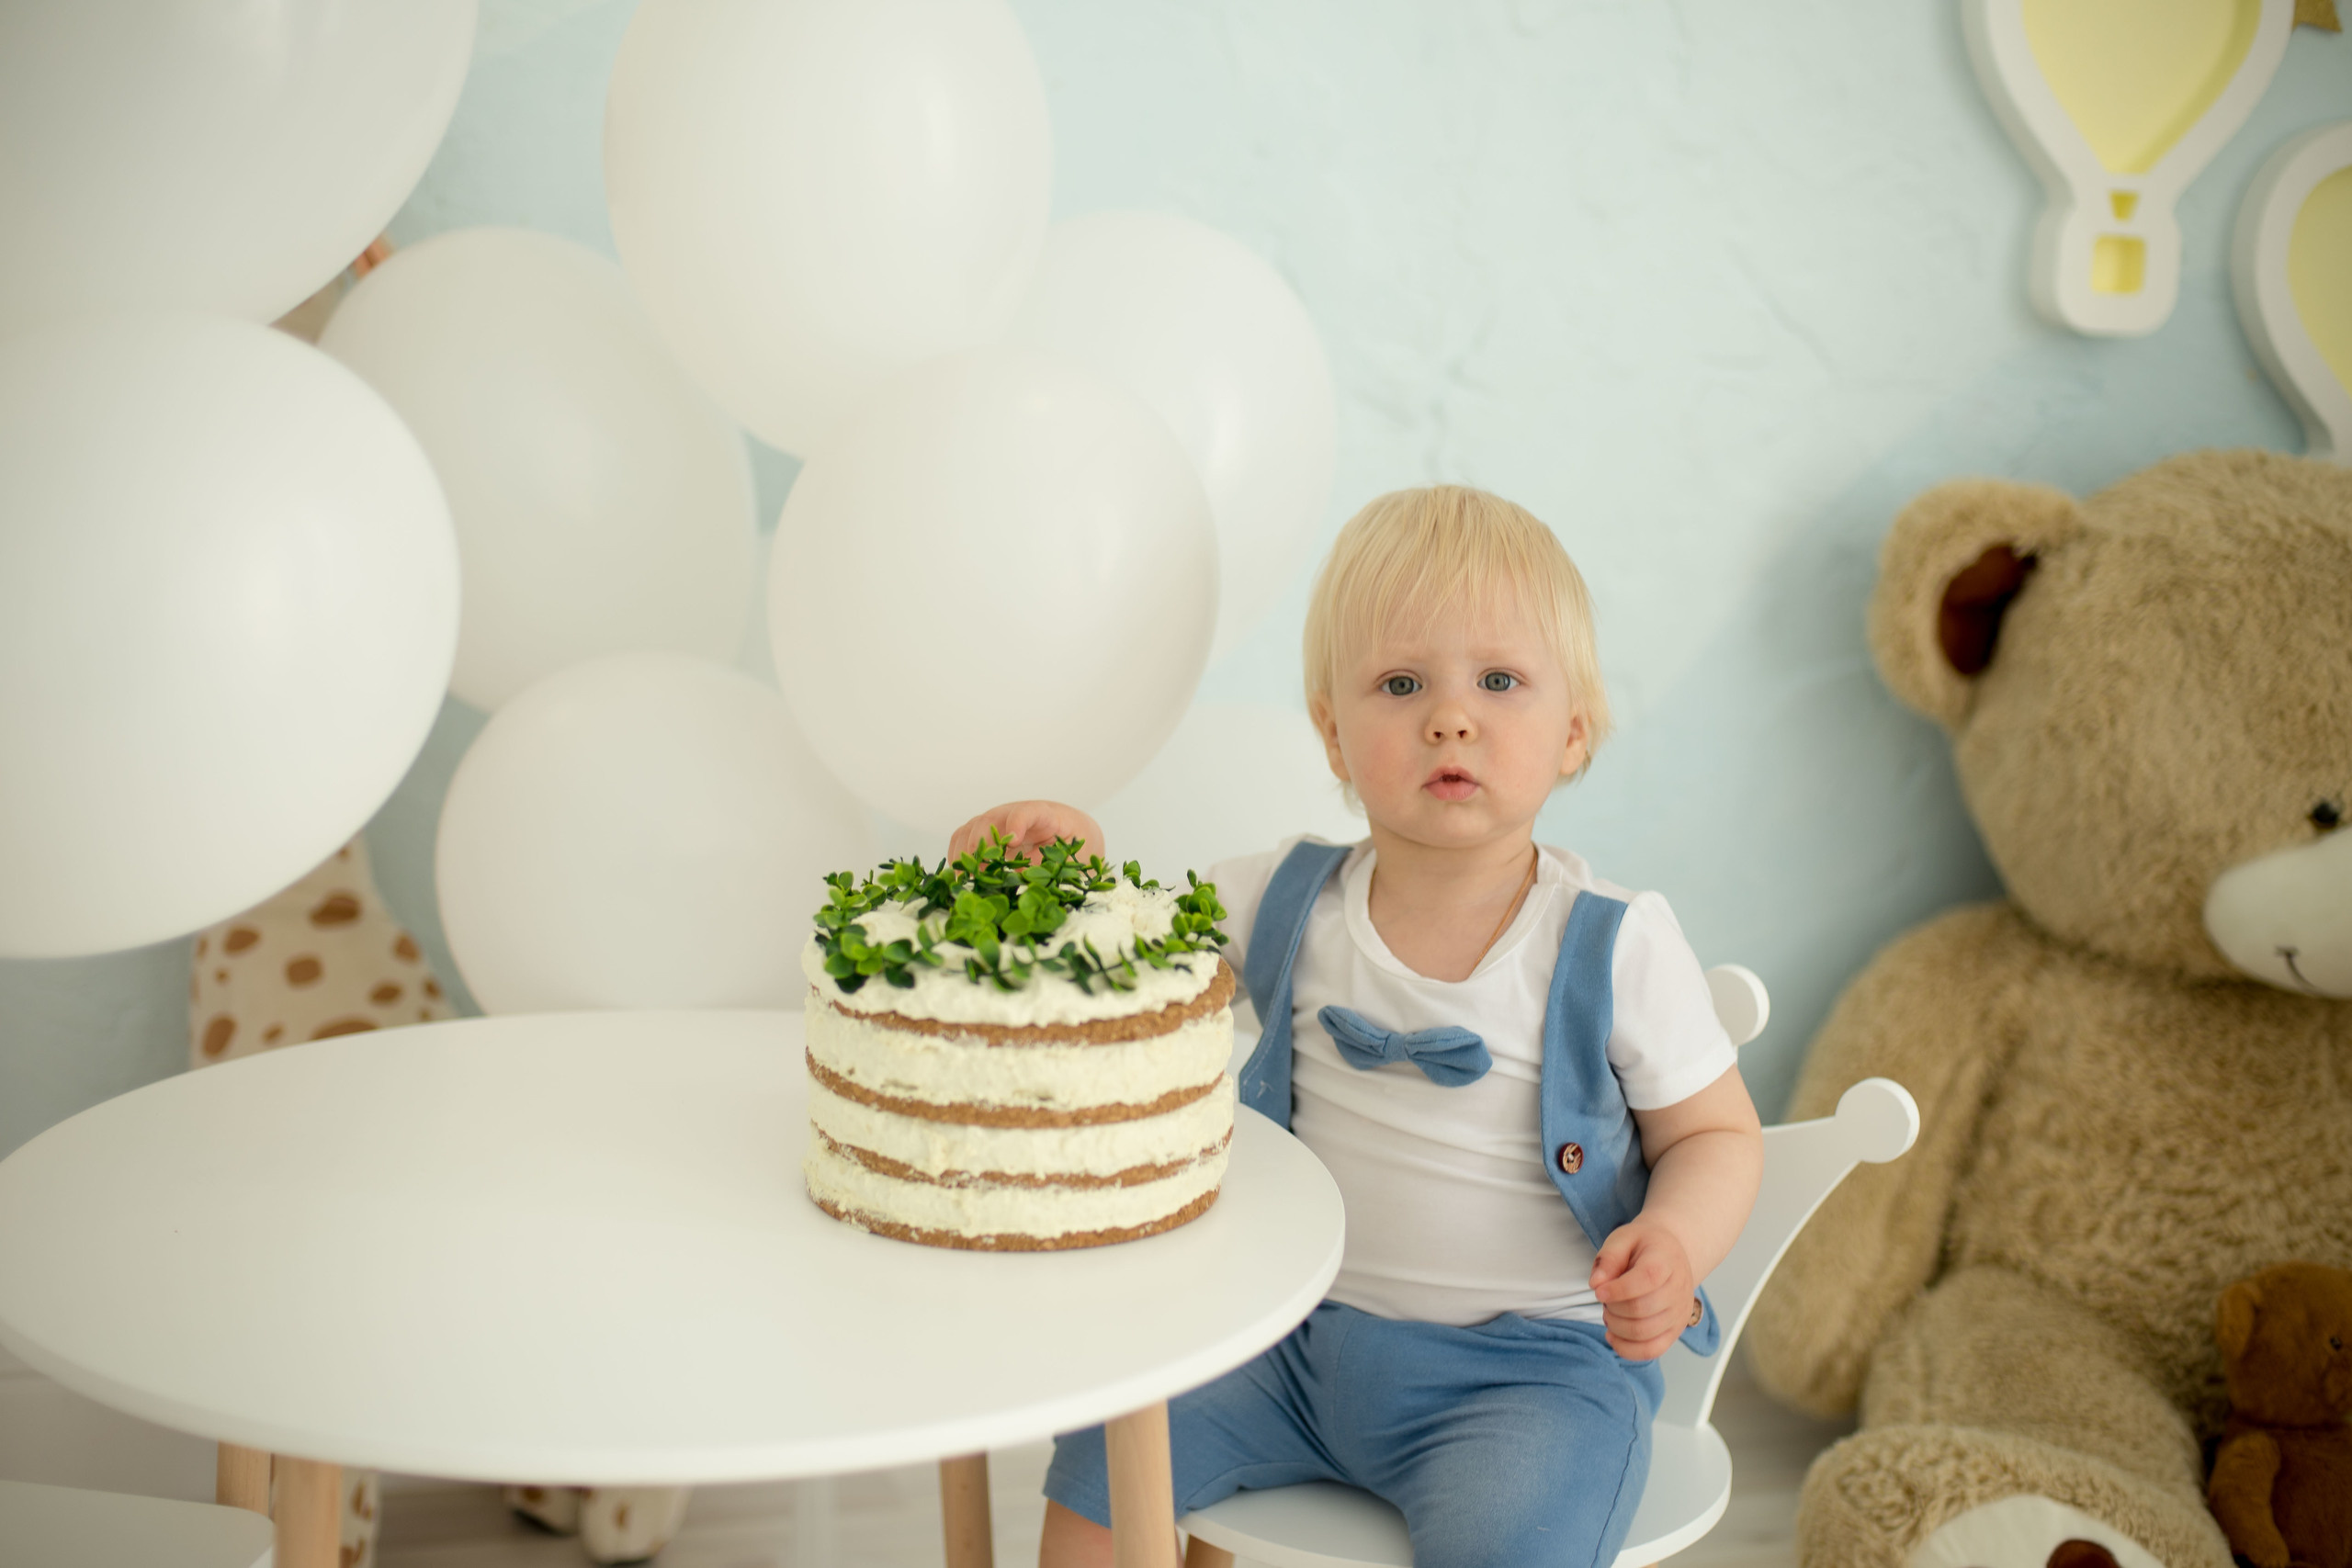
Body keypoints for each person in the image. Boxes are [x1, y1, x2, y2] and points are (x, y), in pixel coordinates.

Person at [950, 484, 1763, 1568]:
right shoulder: (1281, 897)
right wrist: (1064, 877)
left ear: (1572, 732)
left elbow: (1715, 1135)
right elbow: (1128, 967)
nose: (1450, 717)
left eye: (1499, 682)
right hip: (1282, 1343)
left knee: (1515, 1540)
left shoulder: (1614, 944)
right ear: (1333, 736)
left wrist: (1675, 1241)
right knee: (1109, 1452)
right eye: (1400, 683)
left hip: (1529, 1375)